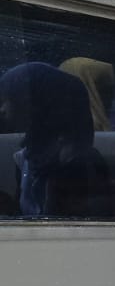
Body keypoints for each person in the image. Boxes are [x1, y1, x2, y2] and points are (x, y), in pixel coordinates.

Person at [0, 62, 107, 219]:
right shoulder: (25, 158)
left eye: (11, 99)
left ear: (38, 103)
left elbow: (66, 219)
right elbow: (24, 213)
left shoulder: (79, 161)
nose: (2, 109)